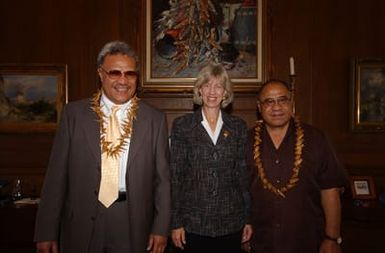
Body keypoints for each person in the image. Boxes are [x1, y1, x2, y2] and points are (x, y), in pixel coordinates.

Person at [34, 41, 171, 253]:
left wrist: (161, 228)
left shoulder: (155, 120)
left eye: (130, 74)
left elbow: (163, 181)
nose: (123, 81)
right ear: (101, 74)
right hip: (81, 220)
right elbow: (56, 177)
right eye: (115, 73)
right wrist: (46, 231)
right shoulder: (74, 115)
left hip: (131, 221)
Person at [246, 79, 347, 253]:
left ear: (291, 103)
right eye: (269, 101)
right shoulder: (245, 141)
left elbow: (330, 190)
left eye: (282, 100)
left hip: (306, 241)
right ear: (259, 106)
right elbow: (239, 191)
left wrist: (332, 238)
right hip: (260, 242)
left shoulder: (316, 139)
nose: (276, 107)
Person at [170, 63, 252, 253]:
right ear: (199, 91)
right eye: (207, 85)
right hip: (193, 224)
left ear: (225, 92)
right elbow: (175, 177)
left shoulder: (238, 127)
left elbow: (242, 176)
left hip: (231, 222)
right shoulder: (183, 126)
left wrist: (248, 219)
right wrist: (176, 222)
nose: (212, 91)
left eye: (218, 86)